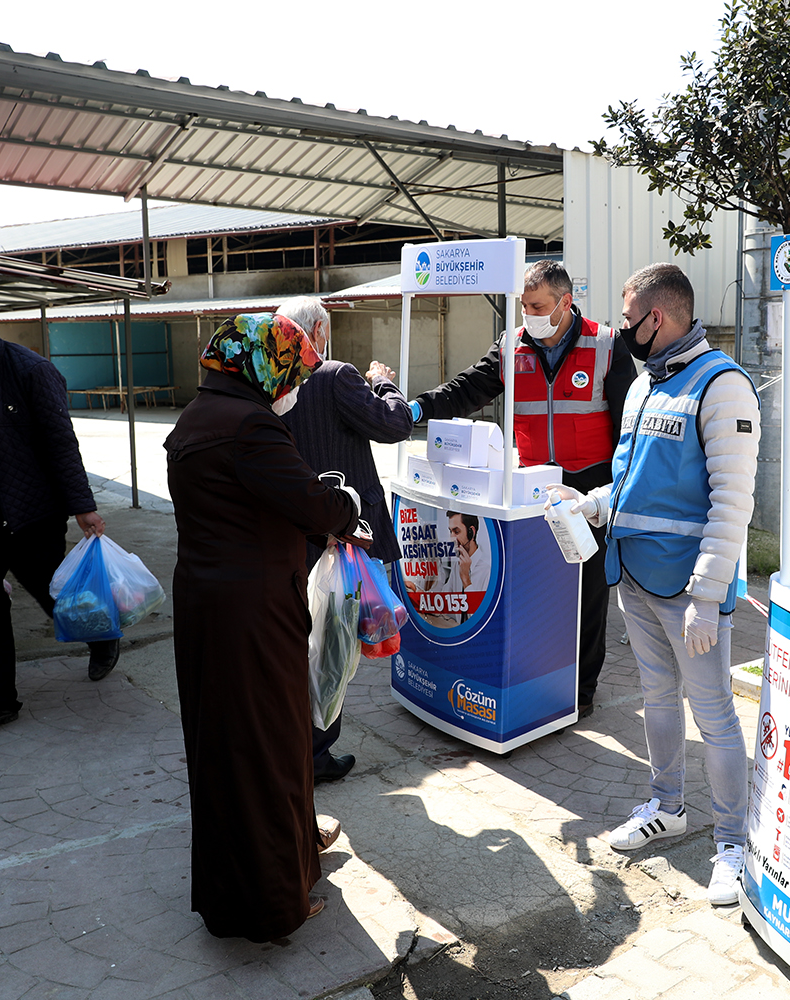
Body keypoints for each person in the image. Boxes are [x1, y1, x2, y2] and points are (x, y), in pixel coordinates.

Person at [555, 263, 760, 906]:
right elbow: (635, 479)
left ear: (659, 318)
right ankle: (666, 806)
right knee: (656, 698)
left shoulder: (722, 386)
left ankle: (733, 842)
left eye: (627, 323)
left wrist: (706, 595)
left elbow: (732, 502)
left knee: (716, 716)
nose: (620, 335)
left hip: (688, 592)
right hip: (635, 577)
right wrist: (596, 502)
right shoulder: (645, 387)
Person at [165, 313, 363, 942]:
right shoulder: (249, 425)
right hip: (250, 613)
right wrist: (347, 503)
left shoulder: (198, 415)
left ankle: (297, 842)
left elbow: (258, 500)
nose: (293, 386)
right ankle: (272, 899)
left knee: (230, 743)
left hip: (208, 608)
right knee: (267, 745)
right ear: (261, 366)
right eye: (291, 372)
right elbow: (311, 505)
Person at [410, 260, 635, 719]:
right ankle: (537, 676)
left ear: (565, 303)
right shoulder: (512, 347)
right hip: (532, 486)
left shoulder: (607, 344)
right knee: (537, 586)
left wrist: (616, 491)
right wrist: (416, 408)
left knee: (588, 591)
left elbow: (628, 427)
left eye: (537, 305)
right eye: (523, 305)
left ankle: (581, 689)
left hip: (588, 483)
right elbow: (467, 389)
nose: (527, 314)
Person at [0, 288, 117, 743]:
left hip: (29, 508)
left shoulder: (31, 371)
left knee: (54, 590)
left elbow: (60, 443)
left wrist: (83, 507)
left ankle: (100, 637)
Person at [275, 295, 413, 784]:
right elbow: (394, 424)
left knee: (305, 640)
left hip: (297, 532)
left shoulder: (272, 382)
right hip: (346, 532)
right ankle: (315, 754)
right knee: (334, 643)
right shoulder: (335, 374)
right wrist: (383, 382)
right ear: (320, 331)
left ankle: (299, 742)